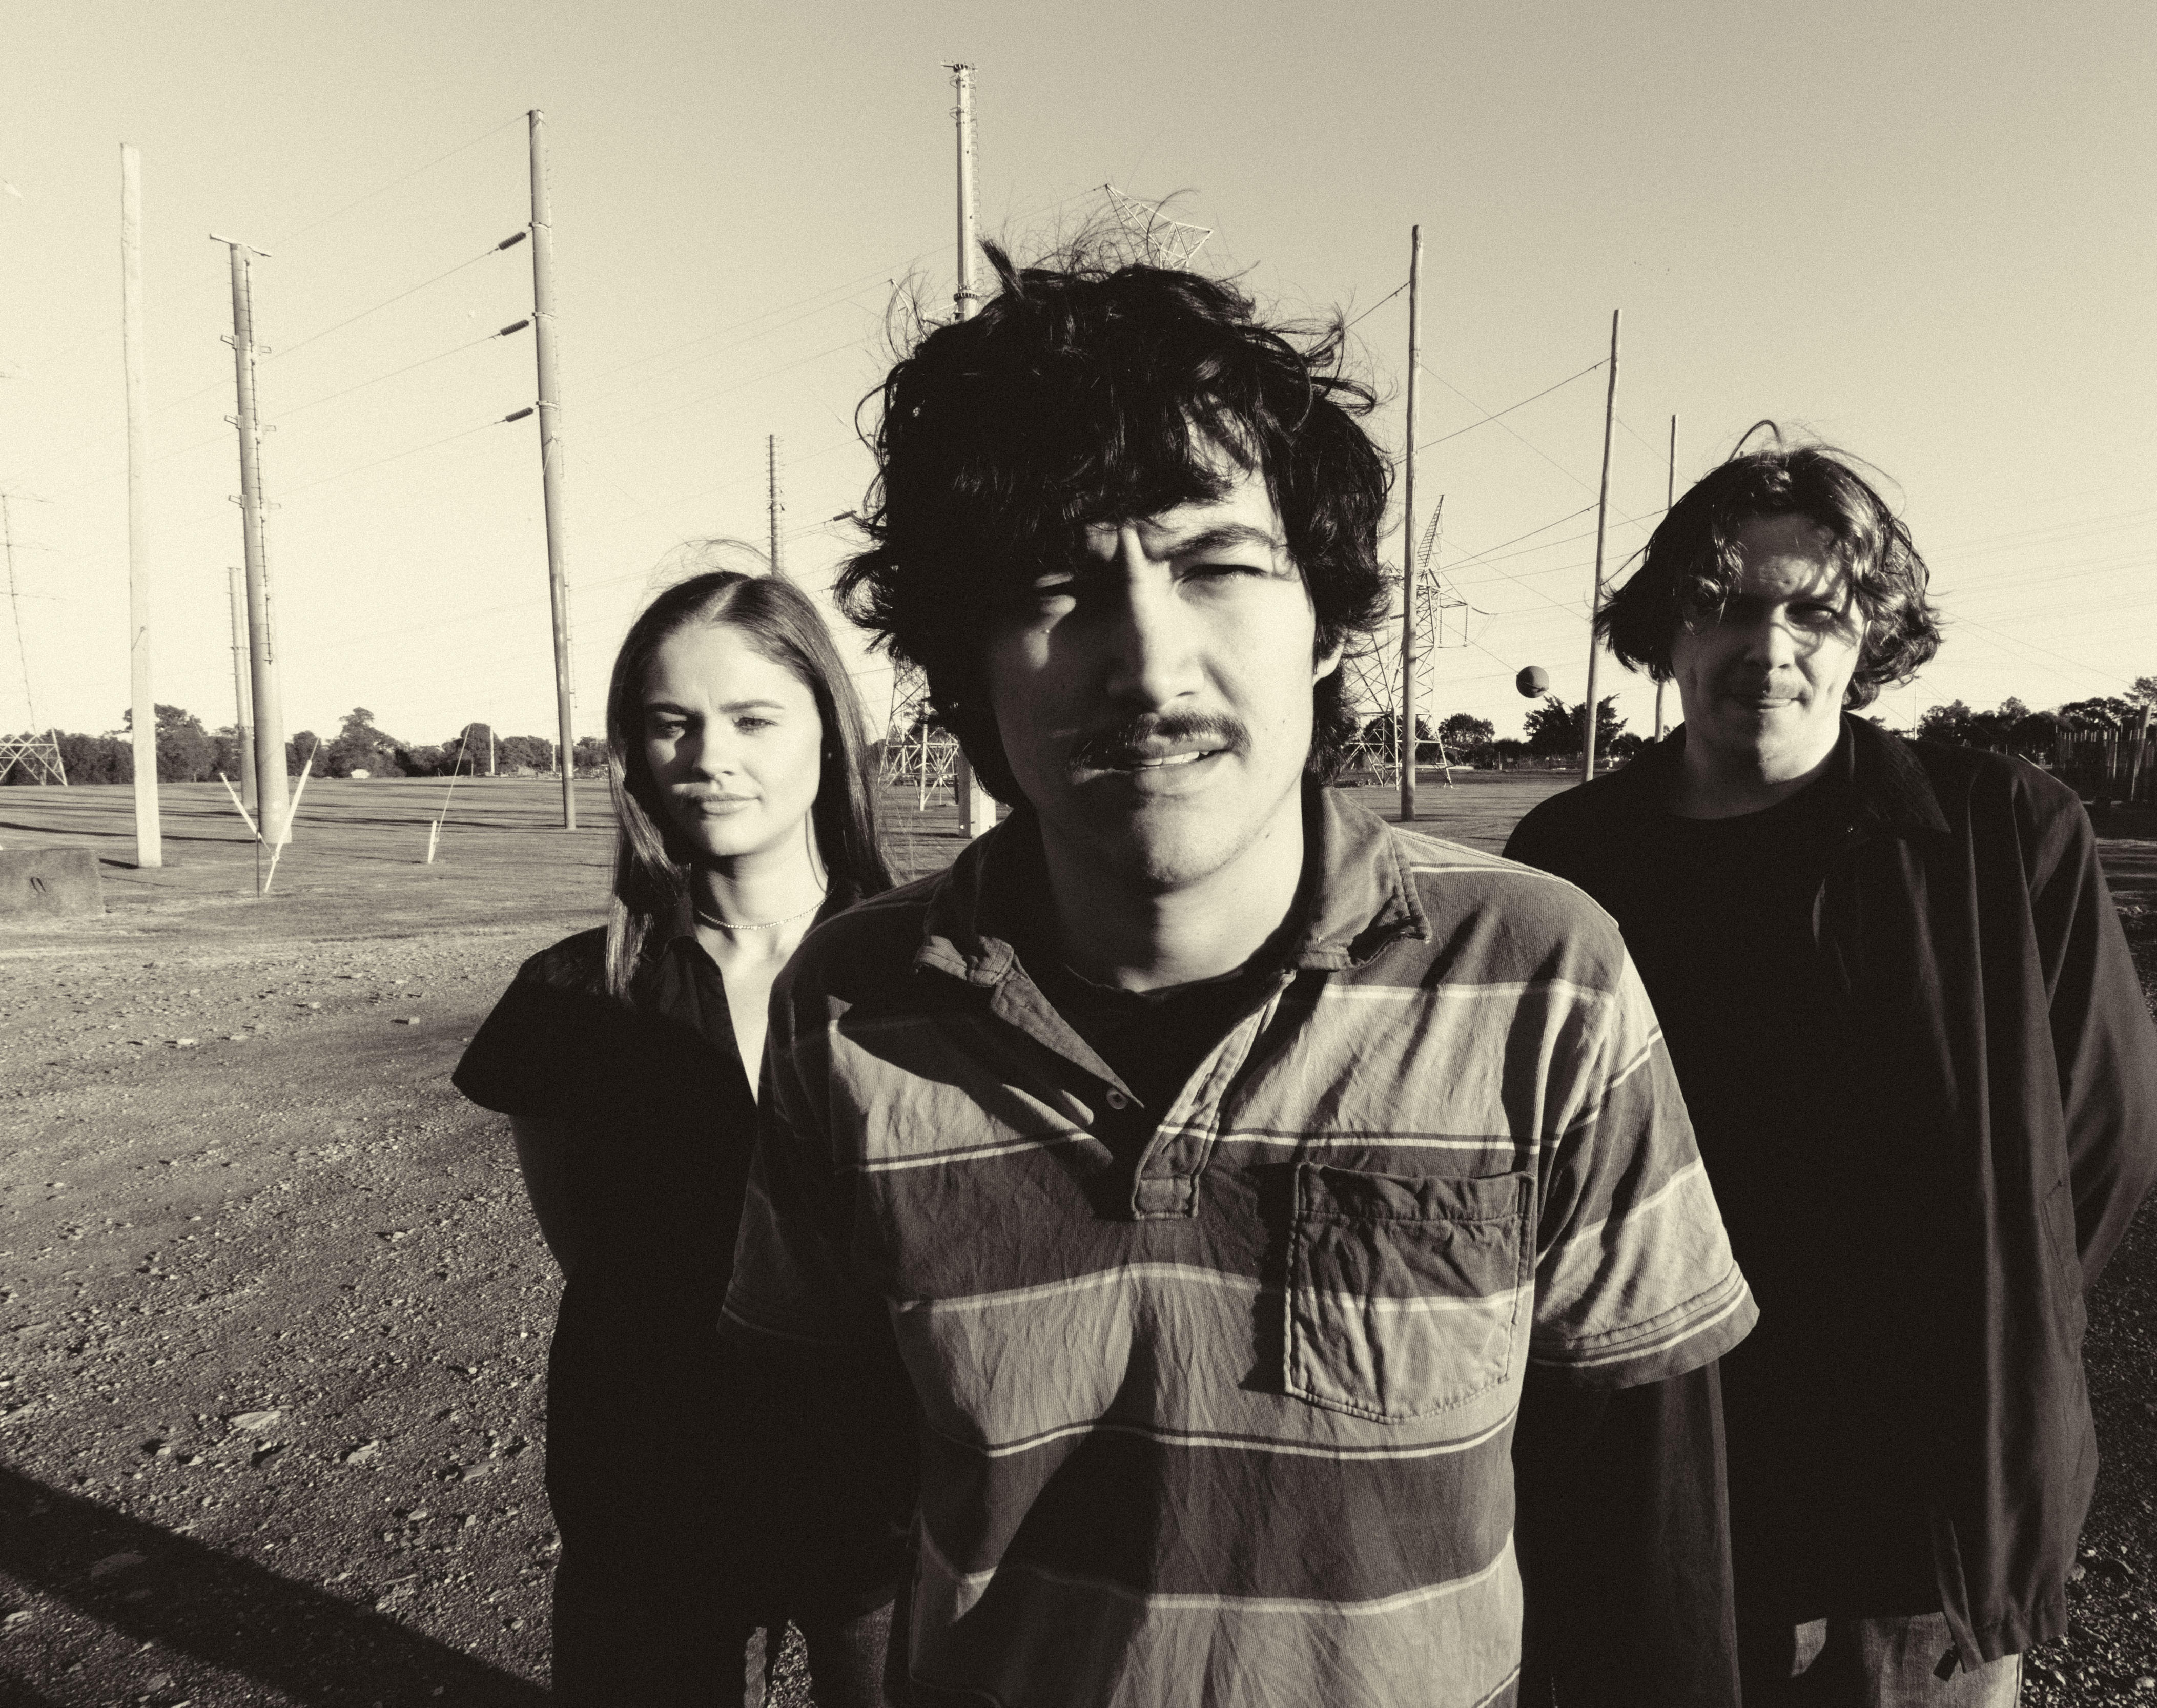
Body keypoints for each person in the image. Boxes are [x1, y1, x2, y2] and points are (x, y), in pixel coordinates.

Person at [718, 248, 1759, 1707]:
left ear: (1325, 618)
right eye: (1055, 581)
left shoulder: (1544, 977)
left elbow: (1646, 1555)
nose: (1150, 661)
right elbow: (840, 1501)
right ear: (963, 665)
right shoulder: (852, 1002)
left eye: (1216, 562)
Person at [1504, 445, 2157, 1706]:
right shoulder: (1570, 858)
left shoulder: (1996, 833)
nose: (1769, 644)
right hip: (1647, 1475)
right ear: (1664, 627)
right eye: (1724, 603)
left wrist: (1989, 1317)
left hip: (1906, 1503)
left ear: (1873, 633)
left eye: (1815, 610)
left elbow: (2105, 1139)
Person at [453, 564, 901, 1706]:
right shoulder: (570, 999)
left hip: (895, 1494)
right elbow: (595, 1261)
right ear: (636, 752)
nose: (709, 755)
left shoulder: (937, 971)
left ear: (830, 732)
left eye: (752, 718)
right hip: (651, 1497)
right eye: (673, 723)